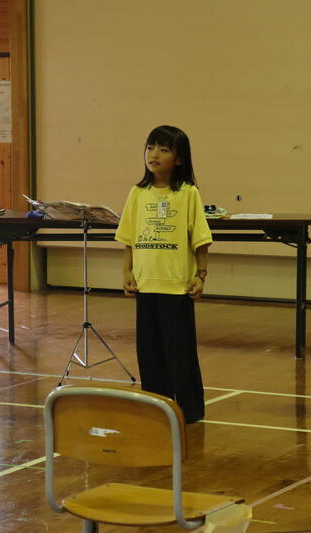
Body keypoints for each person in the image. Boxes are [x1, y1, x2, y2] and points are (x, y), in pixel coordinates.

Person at [115, 125, 212, 423]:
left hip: (177, 287)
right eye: (150, 148)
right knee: (150, 352)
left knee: (179, 351)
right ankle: (157, 406)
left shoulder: (188, 193)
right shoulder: (137, 193)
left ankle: (190, 410)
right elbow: (129, 238)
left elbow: (201, 240)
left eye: (164, 149)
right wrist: (127, 271)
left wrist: (200, 276)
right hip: (146, 285)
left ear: (179, 159)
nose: (154, 154)